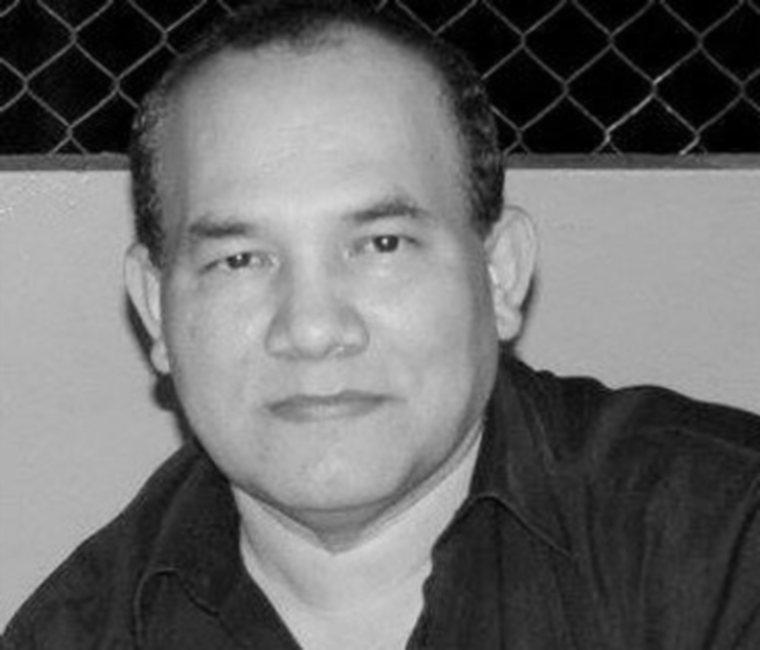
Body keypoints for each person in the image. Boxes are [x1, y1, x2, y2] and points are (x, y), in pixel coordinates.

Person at [4, 0, 760, 648]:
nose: (312, 329)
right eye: (239, 259)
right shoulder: (78, 632)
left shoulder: (722, 539)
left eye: (382, 245)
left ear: (499, 272)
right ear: (154, 310)